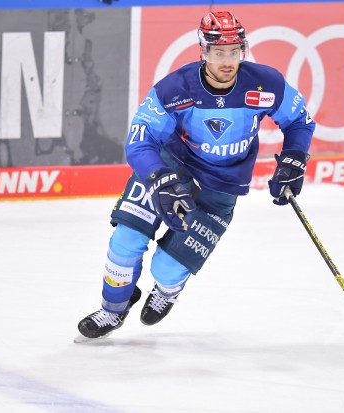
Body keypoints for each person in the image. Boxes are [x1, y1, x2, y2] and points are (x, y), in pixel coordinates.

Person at [76, 11, 315, 340]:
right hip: (171, 165)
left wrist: (294, 159)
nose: (227, 61)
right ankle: (113, 309)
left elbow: (299, 121)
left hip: (222, 184)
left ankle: (168, 289)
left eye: (235, 52)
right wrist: (159, 178)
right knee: (125, 241)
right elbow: (139, 139)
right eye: (219, 53)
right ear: (203, 52)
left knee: (167, 269)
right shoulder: (175, 88)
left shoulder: (266, 83)